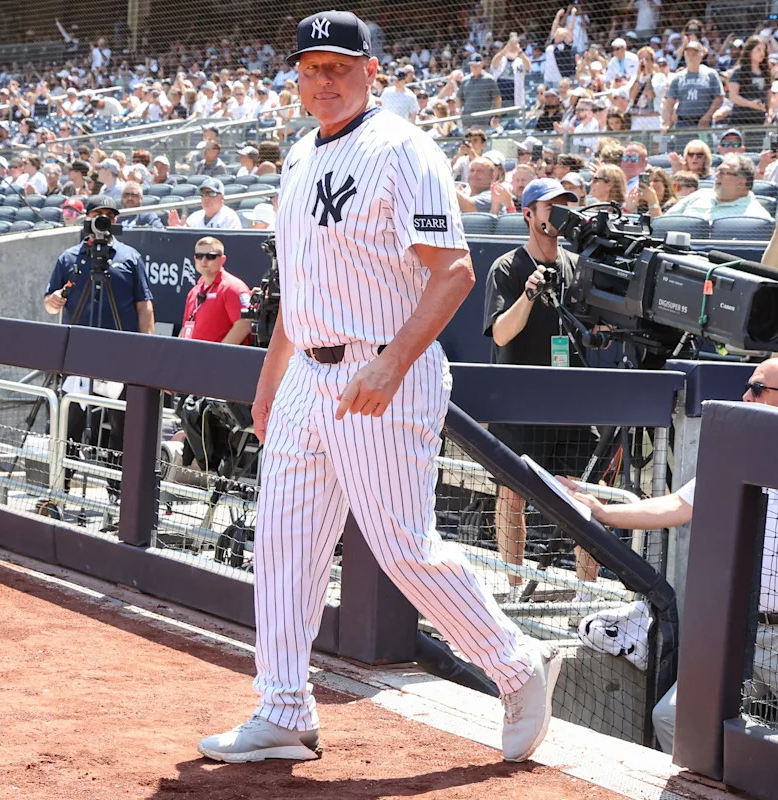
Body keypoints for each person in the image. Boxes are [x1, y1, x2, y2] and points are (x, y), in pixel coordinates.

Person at [198, 10, 559, 766]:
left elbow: (453, 272)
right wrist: (269, 381)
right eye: (311, 68)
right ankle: (283, 709)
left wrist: (390, 364)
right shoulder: (300, 154)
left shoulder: (403, 149)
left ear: (371, 72)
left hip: (382, 369)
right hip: (307, 373)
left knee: (401, 546)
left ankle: (516, 666)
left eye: (338, 66)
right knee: (284, 543)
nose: (323, 80)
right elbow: (298, 289)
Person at [556, 357, 778, 752]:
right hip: (742, 632)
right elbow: (678, 506)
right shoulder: (744, 450)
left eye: (758, 389)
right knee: (675, 719)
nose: (746, 396)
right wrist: (604, 512)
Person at [482, 177, 605, 605]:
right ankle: (513, 589)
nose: (560, 213)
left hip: (574, 402)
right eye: (550, 206)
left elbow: (597, 329)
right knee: (512, 494)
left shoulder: (580, 266)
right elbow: (501, 334)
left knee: (581, 496)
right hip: (520, 402)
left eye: (565, 204)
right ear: (528, 214)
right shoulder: (506, 267)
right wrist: (530, 293)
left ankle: (588, 595)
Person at [43, 195, 155, 502]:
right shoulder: (70, 258)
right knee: (70, 425)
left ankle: (119, 497)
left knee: (122, 429)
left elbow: (144, 305)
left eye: (110, 215)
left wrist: (146, 350)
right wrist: (53, 301)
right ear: (87, 219)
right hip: (79, 354)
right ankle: (59, 491)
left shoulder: (130, 257)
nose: (104, 220)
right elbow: (50, 305)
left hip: (121, 354)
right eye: (98, 214)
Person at [178, 236, 252, 345]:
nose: (204, 260)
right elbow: (185, 327)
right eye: (199, 256)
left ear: (222, 260)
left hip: (219, 355)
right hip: (191, 353)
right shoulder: (194, 291)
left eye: (210, 256)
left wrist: (220, 352)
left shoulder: (232, 287)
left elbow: (245, 324)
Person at [663, 153, 772, 221]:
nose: (717, 175)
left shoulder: (756, 217)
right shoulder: (699, 195)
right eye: (718, 171)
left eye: (723, 172)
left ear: (741, 181)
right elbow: (665, 222)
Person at [661, 40, 723, 134]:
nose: (691, 57)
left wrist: (708, 115)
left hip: (704, 122)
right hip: (683, 122)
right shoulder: (678, 77)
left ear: (701, 55)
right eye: (688, 54)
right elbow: (669, 102)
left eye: (694, 54)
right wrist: (667, 122)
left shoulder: (711, 74)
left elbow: (719, 97)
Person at [170, 177, 242, 229]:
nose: (206, 197)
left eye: (212, 193)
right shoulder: (194, 218)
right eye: (204, 193)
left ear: (222, 198)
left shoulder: (230, 218)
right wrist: (179, 230)